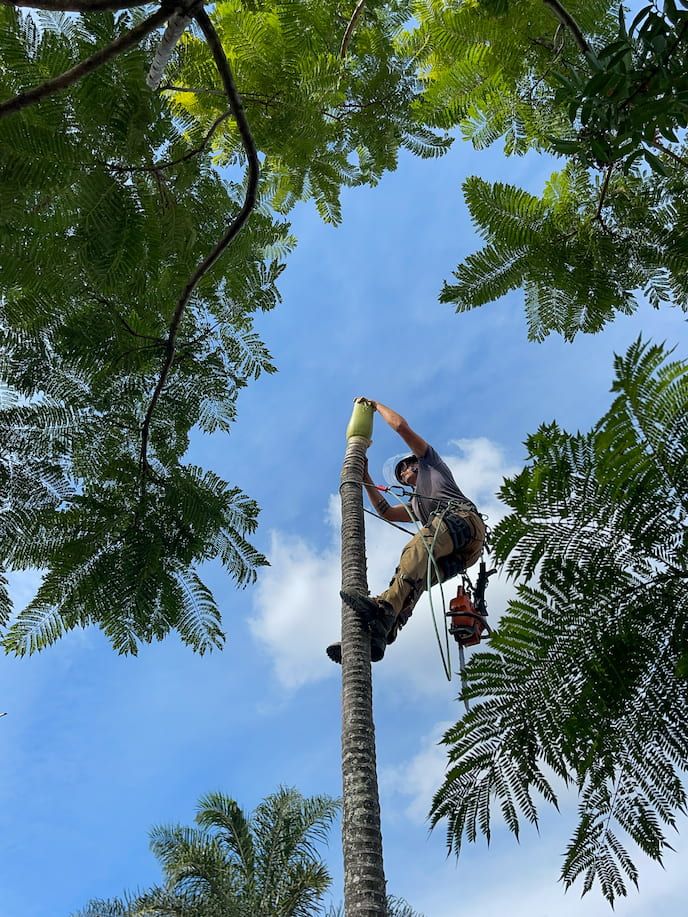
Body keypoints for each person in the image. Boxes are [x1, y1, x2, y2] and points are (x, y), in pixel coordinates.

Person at [327, 400, 485, 664]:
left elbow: (401, 426)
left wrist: (376, 407)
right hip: (463, 551)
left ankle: (383, 607)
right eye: (399, 474)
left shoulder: (431, 463)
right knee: (414, 581)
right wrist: (365, 477)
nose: (402, 473)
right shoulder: (415, 504)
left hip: (464, 522)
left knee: (417, 548)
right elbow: (386, 513)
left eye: (404, 467)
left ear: (415, 463)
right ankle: (382, 631)